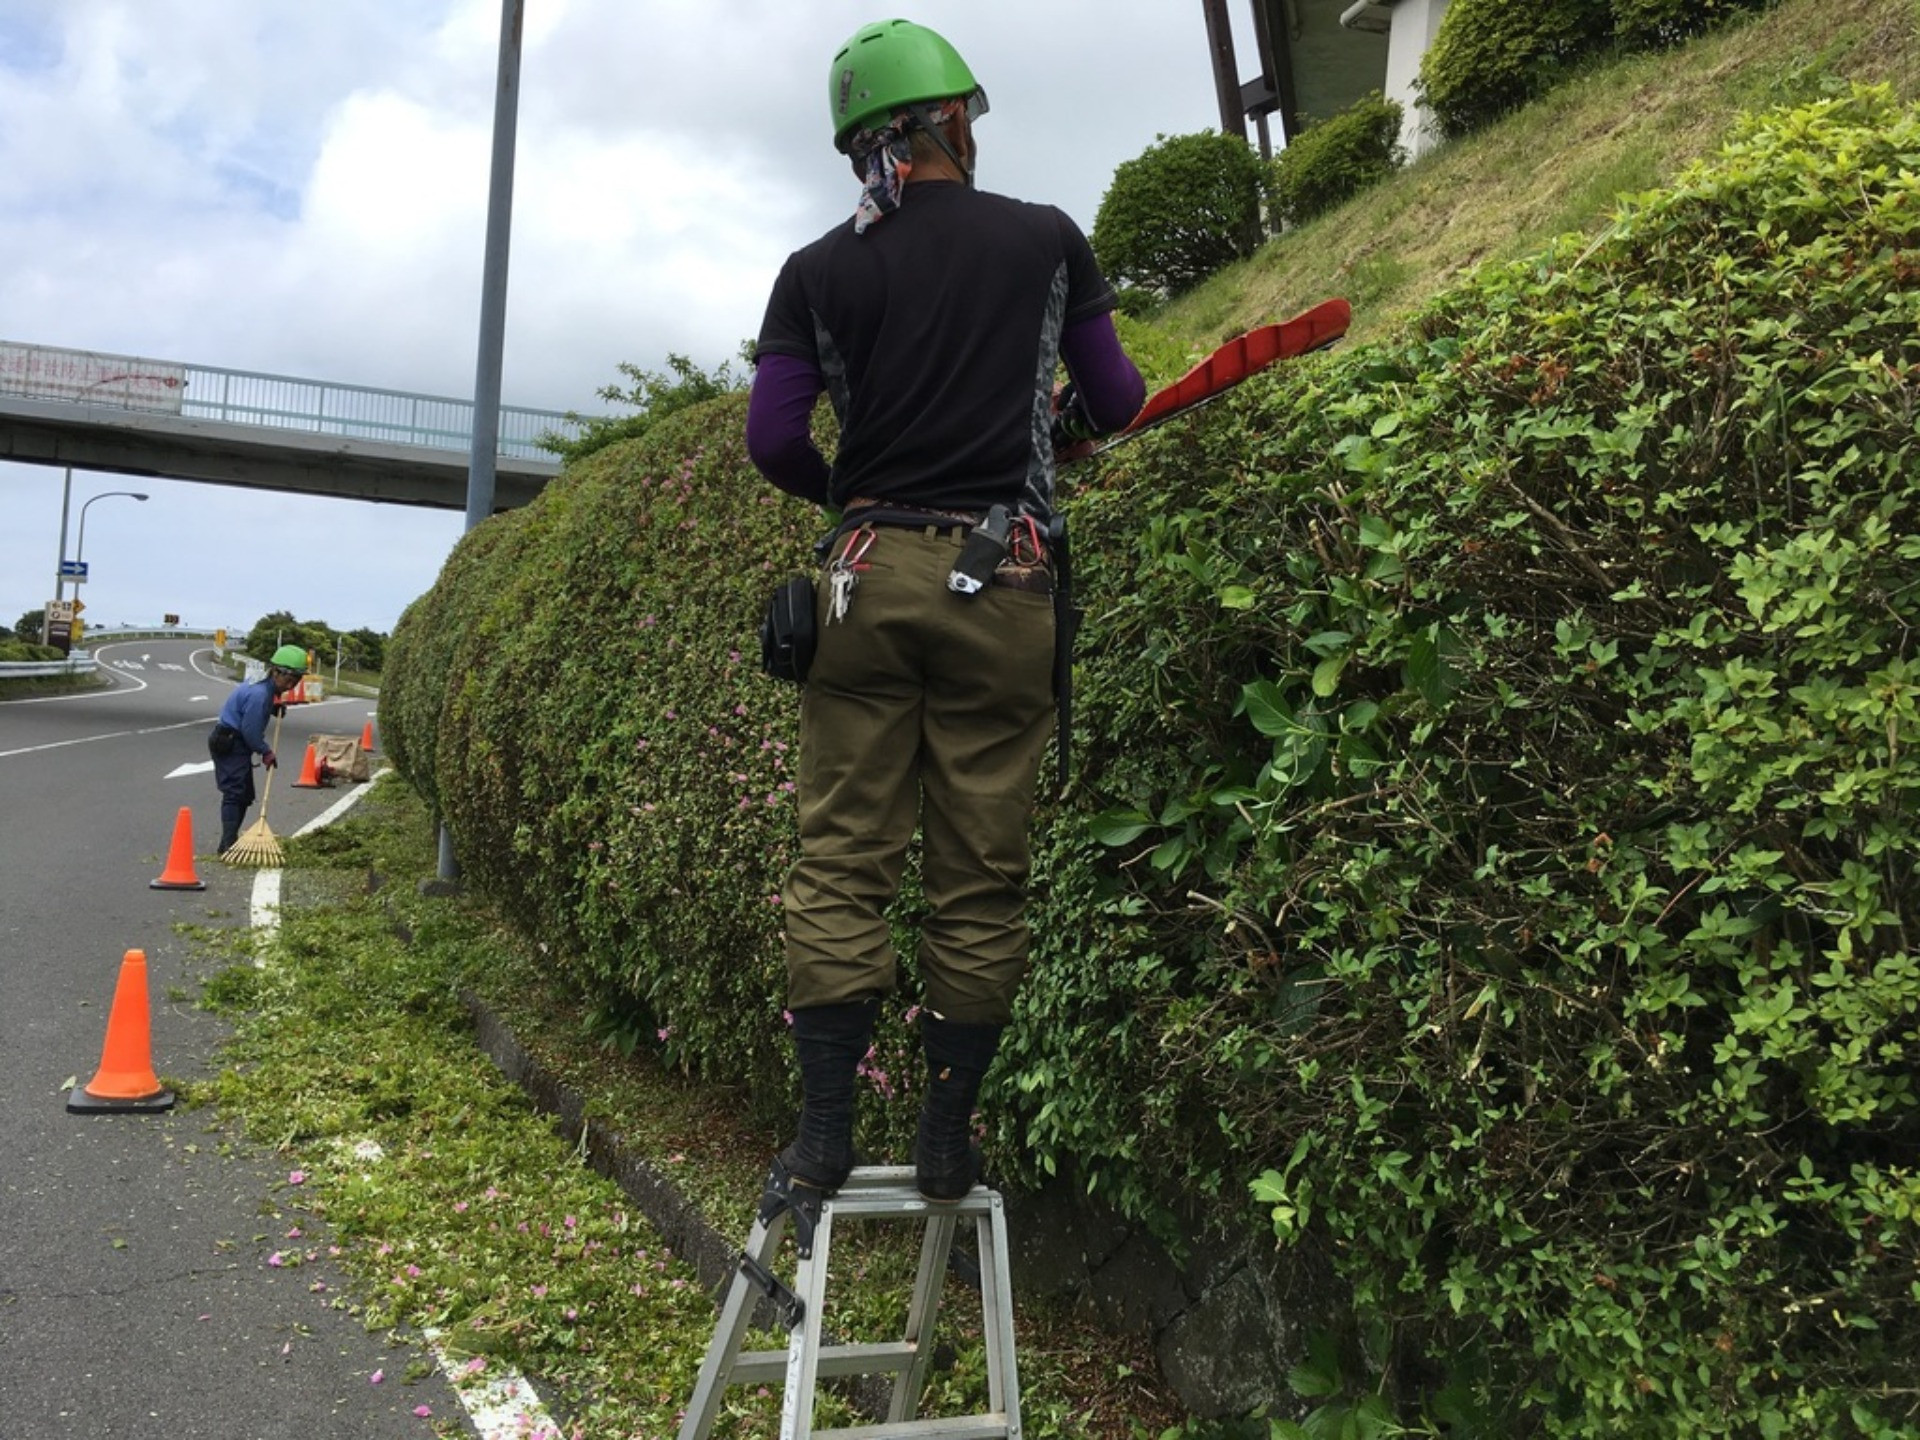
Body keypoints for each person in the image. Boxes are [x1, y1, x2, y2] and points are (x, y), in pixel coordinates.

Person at [745, 18, 1145, 1204]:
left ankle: (821, 1143)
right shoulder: (1045, 239)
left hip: (866, 579)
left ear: (862, 146)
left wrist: (848, 503)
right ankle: (945, 1144)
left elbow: (774, 437)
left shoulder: (817, 268)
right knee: (979, 877)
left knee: (840, 864)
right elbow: (1116, 399)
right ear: (955, 121)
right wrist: (1055, 423)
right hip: (1006, 573)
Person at [207, 644, 306, 854]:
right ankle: (227, 844)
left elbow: (249, 710)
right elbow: (250, 730)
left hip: (236, 741)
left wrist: (273, 707)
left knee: (244, 795)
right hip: (230, 741)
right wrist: (265, 751)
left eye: (297, 681)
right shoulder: (260, 693)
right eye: (289, 679)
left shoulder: (264, 686)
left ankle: (230, 840)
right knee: (235, 793)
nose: (291, 685)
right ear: (276, 671)